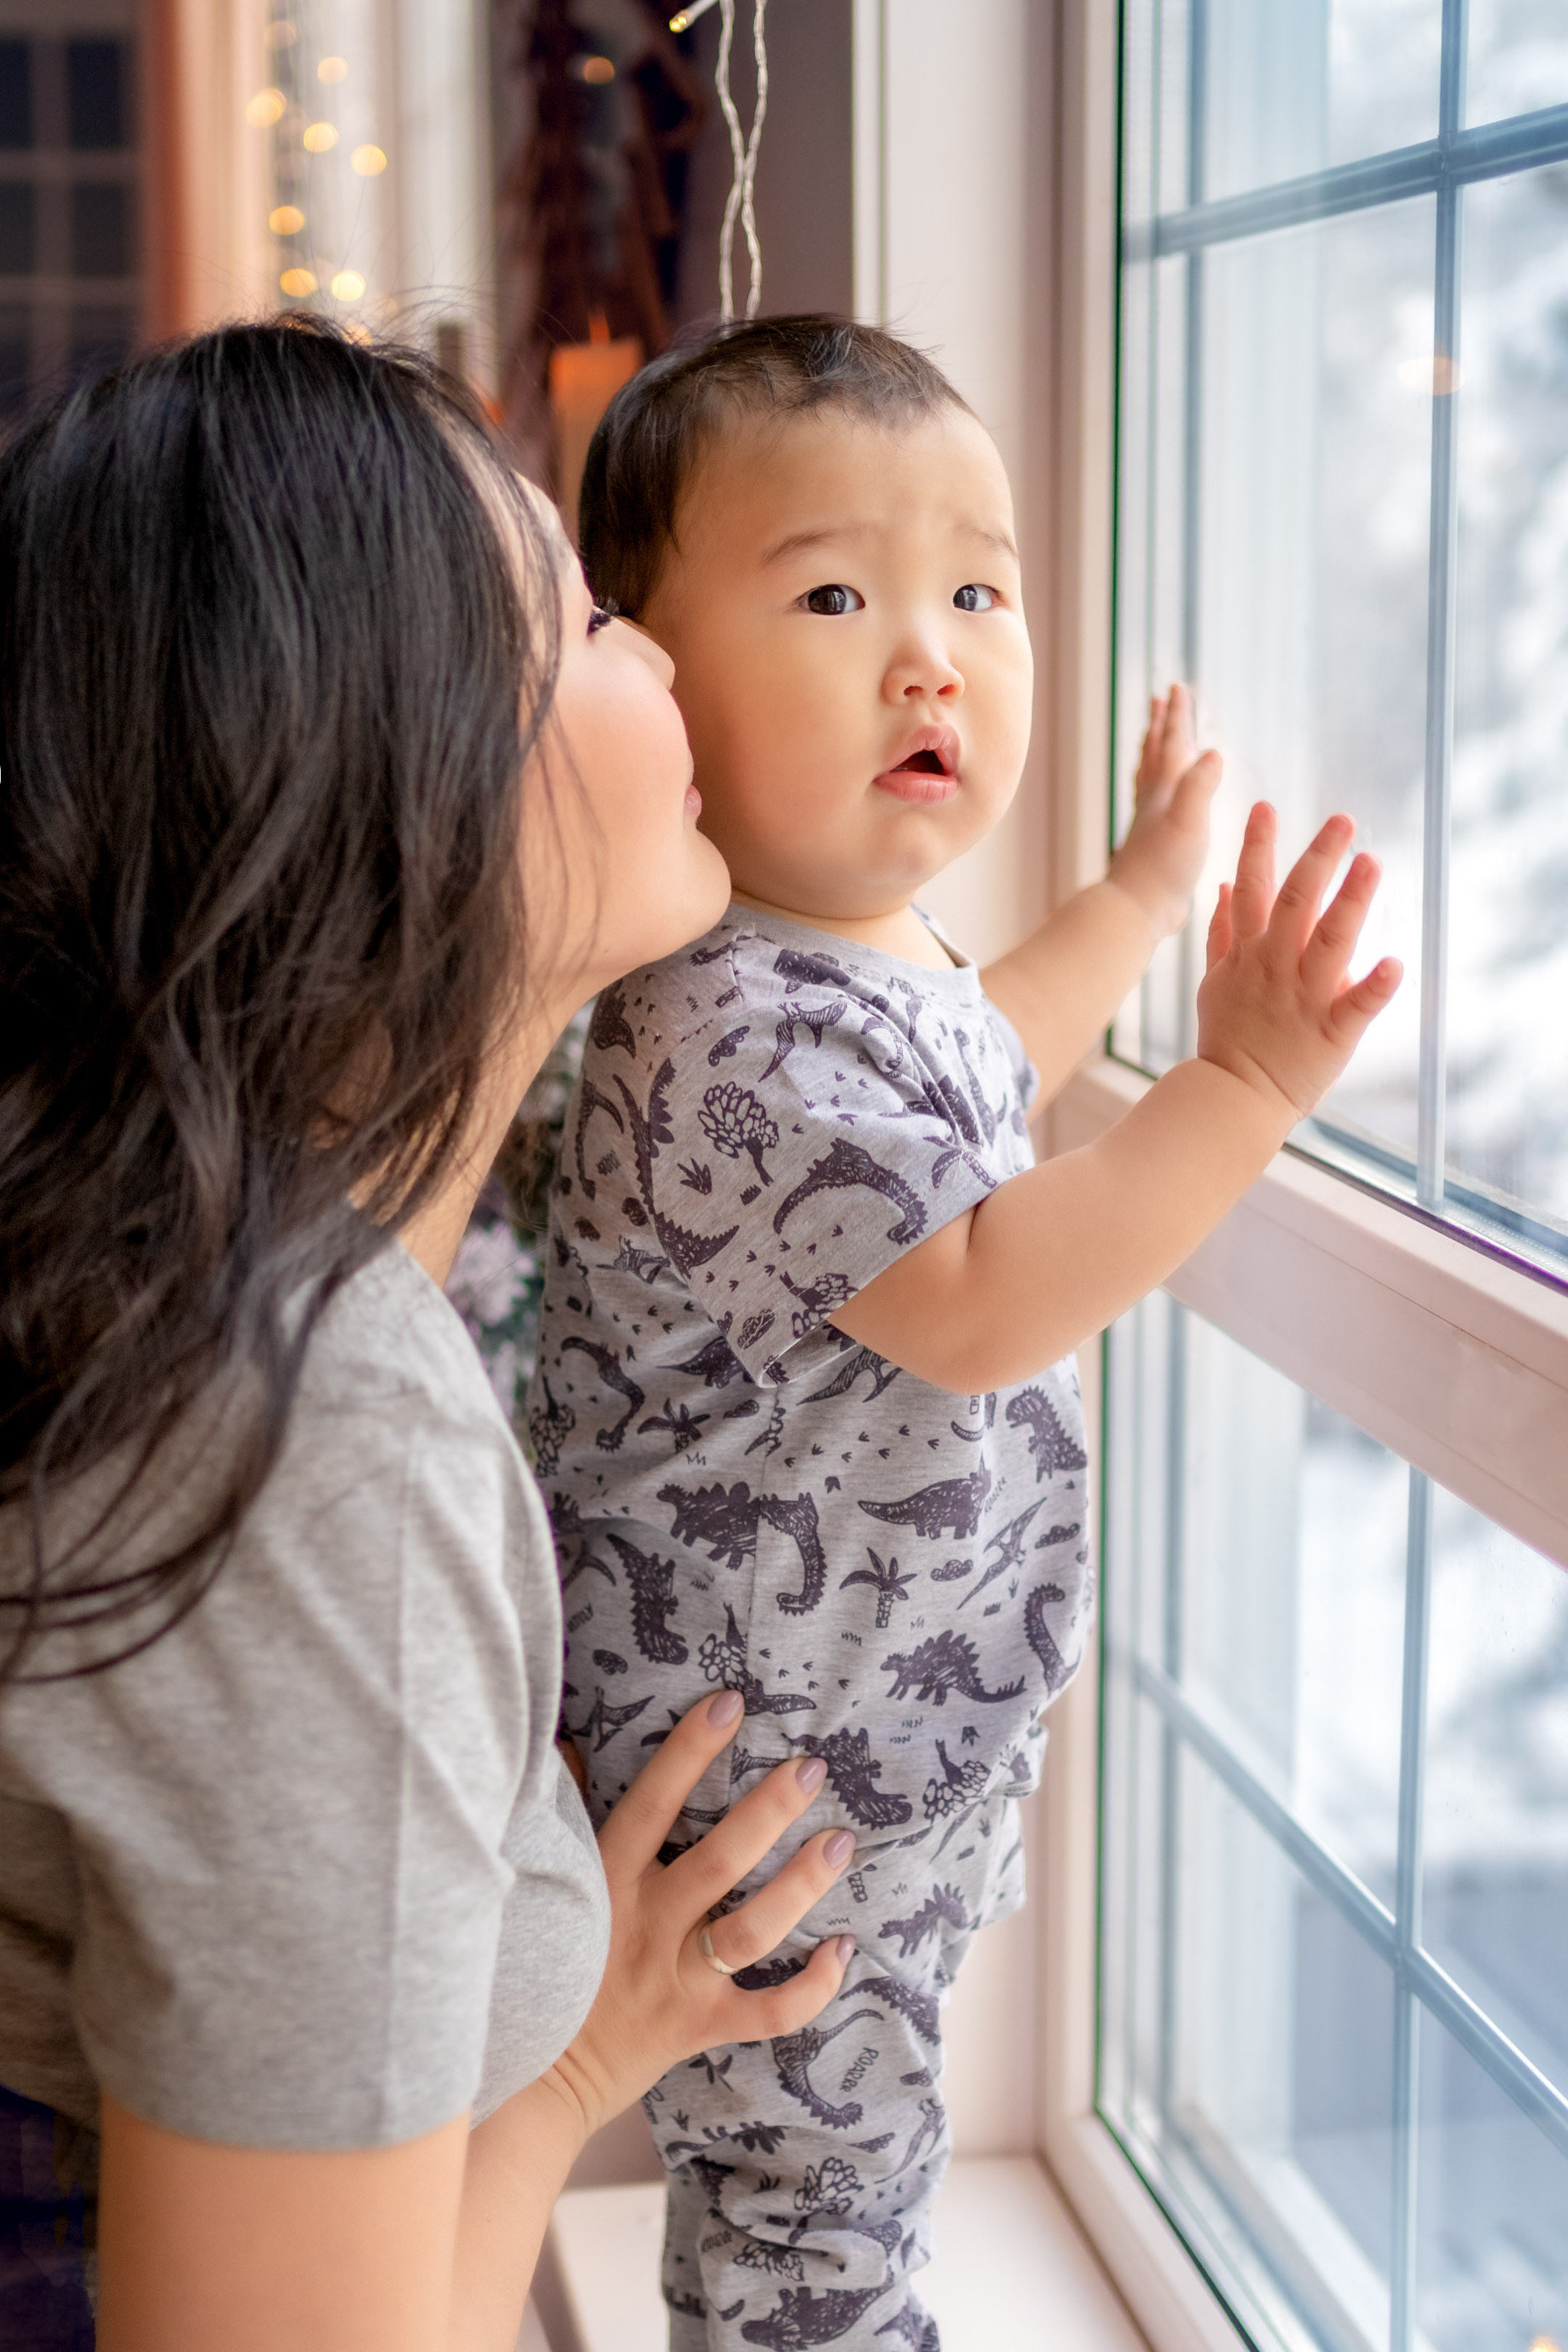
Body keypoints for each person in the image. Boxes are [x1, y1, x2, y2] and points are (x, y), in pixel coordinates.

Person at [527, 315, 1402, 2351]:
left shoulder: (820, 962)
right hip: (760, 1809)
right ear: (654, 679)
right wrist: (1245, 1085)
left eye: (978, 590)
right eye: (836, 593)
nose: (931, 652)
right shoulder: (742, 1028)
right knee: (810, 2227)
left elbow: (976, 1065)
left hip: (830, 1749)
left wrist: (1142, 891)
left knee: (842, 2176)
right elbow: (994, 1288)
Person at [0, 319, 863, 2352]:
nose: (659, 657)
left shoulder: (177, 1289)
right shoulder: (303, 1439)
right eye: (582, 617)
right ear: (385, 768)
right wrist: (567, 2064)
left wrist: (577, 2034)